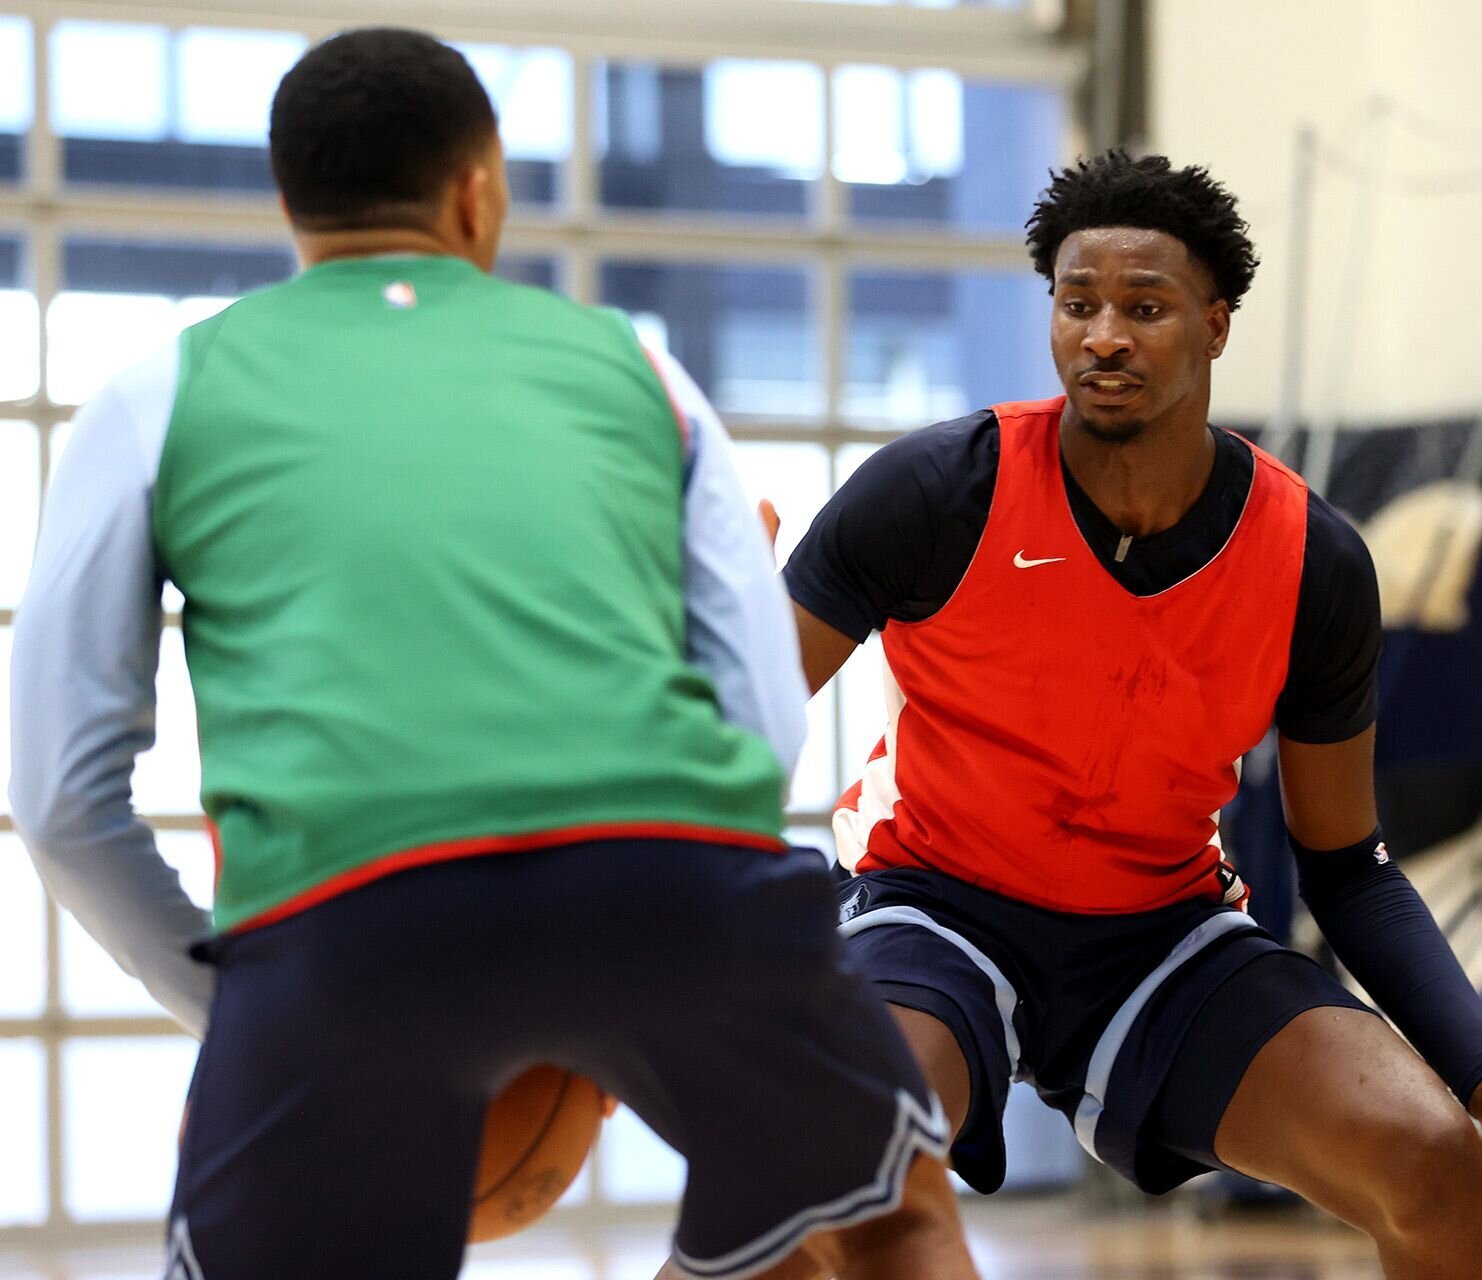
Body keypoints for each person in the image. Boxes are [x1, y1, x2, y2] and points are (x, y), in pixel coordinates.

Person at [7, 28, 975, 1280]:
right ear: (480, 191)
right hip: (674, 880)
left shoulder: (156, 395)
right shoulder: (642, 370)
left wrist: (227, 992)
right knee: (888, 1215)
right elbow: (760, 720)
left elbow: (61, 799)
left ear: (294, 204)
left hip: (350, 916)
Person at [737, 151, 1482, 1279]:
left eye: (1142, 307)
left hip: (1162, 936)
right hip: (931, 905)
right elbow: (735, 727)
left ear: (1215, 324)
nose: (1103, 334)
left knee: (1431, 1157)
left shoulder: (1313, 562)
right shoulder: (934, 490)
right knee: (842, 1164)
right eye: (1077, 303)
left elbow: (1347, 865)